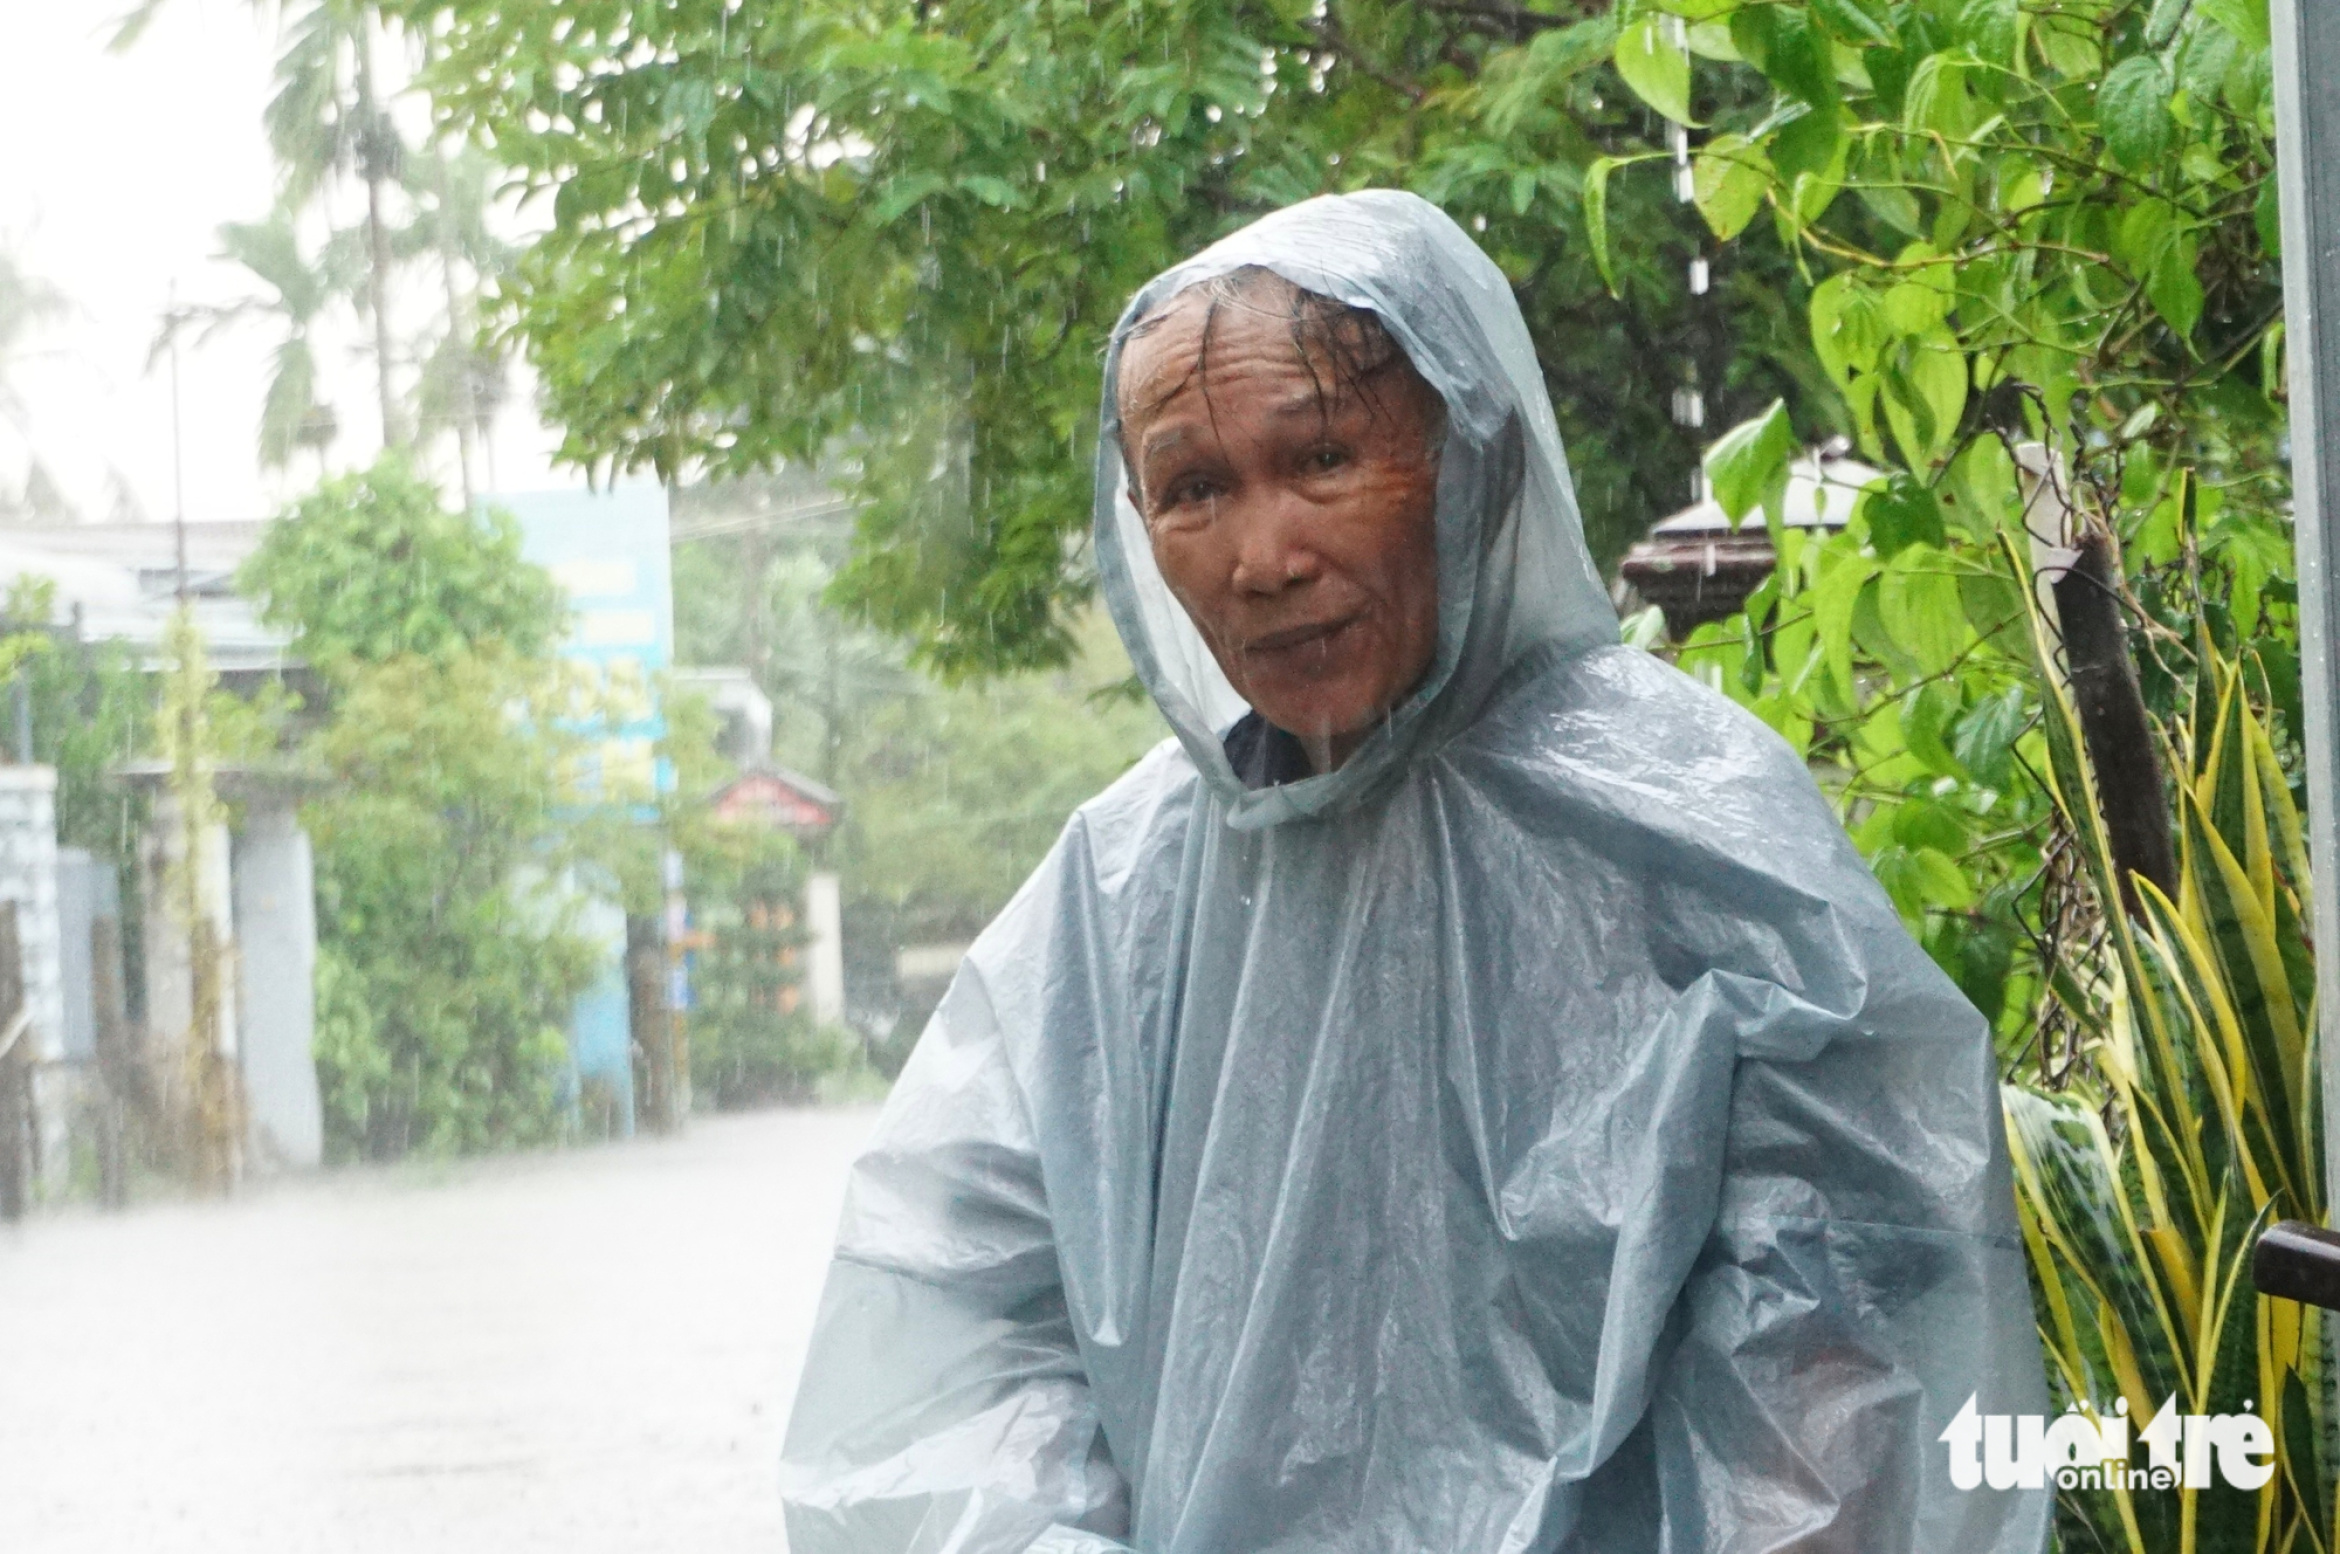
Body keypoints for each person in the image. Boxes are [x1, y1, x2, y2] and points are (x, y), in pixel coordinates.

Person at [778, 191, 2050, 1553]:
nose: (1265, 558)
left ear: (1469, 456)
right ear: (1138, 519)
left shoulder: (1692, 833)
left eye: (1322, 457)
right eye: (1195, 487)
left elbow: (1840, 1357)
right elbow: (953, 1321)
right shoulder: (1117, 901)